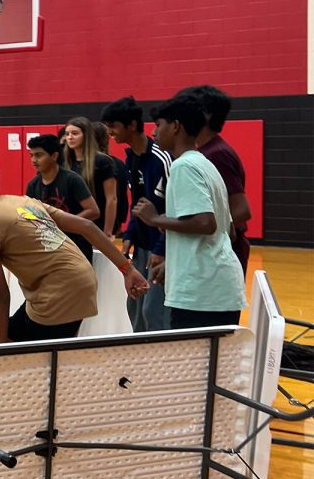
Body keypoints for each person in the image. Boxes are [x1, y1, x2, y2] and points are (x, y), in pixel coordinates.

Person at [0, 153, 148, 343]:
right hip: (82, 281)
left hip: (58, 293)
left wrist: (0, 342)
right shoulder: (23, 202)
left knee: (21, 358)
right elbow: (87, 227)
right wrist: (127, 270)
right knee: (47, 355)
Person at [132, 94, 247, 329]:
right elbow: (229, 231)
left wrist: (155, 219)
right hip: (215, 288)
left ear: (175, 126)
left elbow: (206, 224)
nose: (153, 133)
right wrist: (175, 261)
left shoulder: (184, 166)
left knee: (197, 364)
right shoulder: (204, 163)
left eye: (158, 125)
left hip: (202, 294)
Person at [101, 96, 171, 331]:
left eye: (114, 126)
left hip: (163, 248)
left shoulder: (162, 159)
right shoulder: (131, 159)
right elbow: (137, 206)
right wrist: (129, 236)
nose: (110, 131)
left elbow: (173, 209)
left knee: (154, 312)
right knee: (136, 308)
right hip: (141, 247)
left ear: (132, 125)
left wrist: (161, 250)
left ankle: (163, 362)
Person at [184, 85, 252, 274]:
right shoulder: (205, 152)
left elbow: (241, 210)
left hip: (222, 255)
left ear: (205, 115)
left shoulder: (217, 154)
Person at [25, 134, 99, 262]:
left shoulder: (72, 179)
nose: (33, 160)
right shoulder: (33, 185)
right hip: (47, 247)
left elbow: (93, 211)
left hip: (76, 246)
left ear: (54, 156)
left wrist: (63, 223)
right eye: (31, 155)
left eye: (39, 155)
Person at [61, 117, 119, 237]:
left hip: (96, 226)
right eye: (67, 134)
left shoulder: (102, 161)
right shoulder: (65, 163)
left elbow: (111, 199)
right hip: (71, 227)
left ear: (86, 136)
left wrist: (107, 231)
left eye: (75, 133)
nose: (70, 137)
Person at [92, 122, 130, 237]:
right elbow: (122, 198)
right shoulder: (118, 163)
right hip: (108, 225)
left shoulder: (107, 163)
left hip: (99, 225)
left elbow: (117, 197)